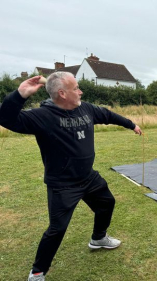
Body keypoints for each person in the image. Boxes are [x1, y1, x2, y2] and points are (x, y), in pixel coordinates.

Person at [0, 72, 142, 281]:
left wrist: (131, 124)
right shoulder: (42, 117)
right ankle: (38, 272)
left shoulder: (86, 109)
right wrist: (20, 95)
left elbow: (107, 115)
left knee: (107, 203)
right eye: (76, 88)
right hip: (63, 185)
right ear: (62, 93)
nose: (80, 91)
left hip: (88, 177)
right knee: (57, 229)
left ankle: (98, 238)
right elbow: (6, 119)